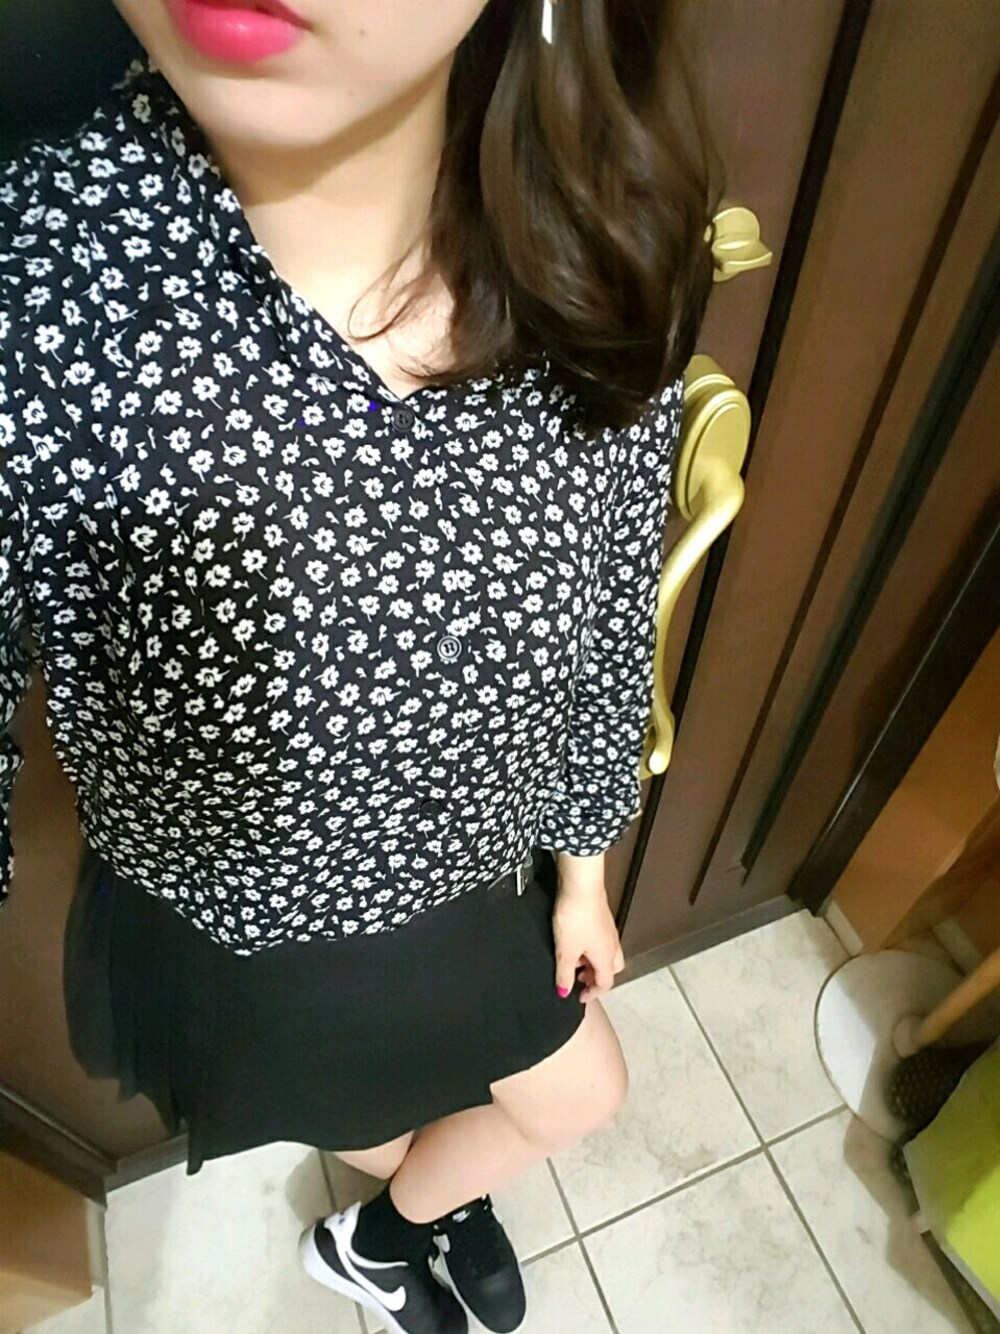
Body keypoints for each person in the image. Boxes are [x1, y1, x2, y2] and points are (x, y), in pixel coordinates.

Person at [0, 1, 718, 1331]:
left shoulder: (600, 248)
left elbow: (616, 608)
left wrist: (582, 872)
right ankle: (404, 1213)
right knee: (432, 1115)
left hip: (472, 882)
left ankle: (388, 1234)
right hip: (262, 940)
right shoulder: (43, 293)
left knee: (559, 1099)